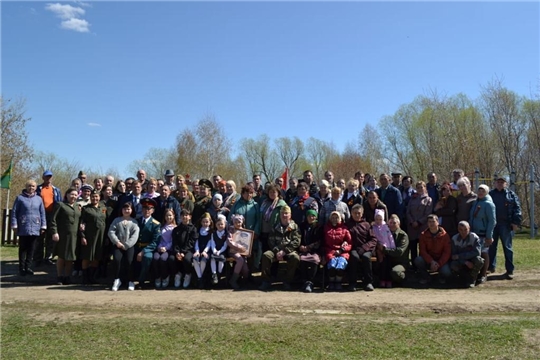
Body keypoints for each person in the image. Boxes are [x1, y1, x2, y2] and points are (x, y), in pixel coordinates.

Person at [259, 206, 301, 291]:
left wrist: (285, 251)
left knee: (295, 258)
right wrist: (277, 251)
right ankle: (266, 281)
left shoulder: (295, 227)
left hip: (289, 251)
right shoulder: (275, 226)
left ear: (290, 215)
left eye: (286, 213)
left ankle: (287, 281)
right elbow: (270, 240)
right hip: (276, 250)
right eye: (282, 213)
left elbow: (296, 242)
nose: (284, 215)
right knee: (266, 255)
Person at [11, 180, 47, 276]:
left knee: (32, 249)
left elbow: (42, 213)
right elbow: (14, 212)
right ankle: (21, 268)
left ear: (35, 188)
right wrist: (14, 225)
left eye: (33, 186)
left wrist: (43, 226)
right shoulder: (20, 198)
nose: (31, 188)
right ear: (26, 187)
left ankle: (28, 267)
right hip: (23, 226)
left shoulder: (39, 199)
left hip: (35, 226)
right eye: (29, 186)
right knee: (23, 248)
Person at [489, 176, 522, 279]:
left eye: (502, 182)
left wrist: (515, 222)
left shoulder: (511, 195)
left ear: (506, 184)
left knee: (507, 248)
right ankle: (491, 267)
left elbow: (517, 209)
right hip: (492, 225)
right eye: (498, 182)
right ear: (495, 183)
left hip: (506, 225)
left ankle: (509, 270)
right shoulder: (490, 194)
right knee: (491, 247)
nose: (499, 183)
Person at [50, 188, 82, 285]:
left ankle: (67, 277)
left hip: (74, 236)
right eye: (72, 194)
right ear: (67, 195)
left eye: (76, 195)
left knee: (70, 257)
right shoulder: (61, 205)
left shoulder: (78, 207)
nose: (74, 196)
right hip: (63, 235)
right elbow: (53, 219)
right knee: (62, 257)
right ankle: (60, 277)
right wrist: (54, 232)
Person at [108, 202, 140, 291]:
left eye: (128, 209)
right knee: (117, 260)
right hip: (118, 245)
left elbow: (135, 235)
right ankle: (117, 279)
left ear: (131, 210)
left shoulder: (134, 222)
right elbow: (111, 232)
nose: (126, 210)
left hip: (129, 246)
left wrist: (126, 245)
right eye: (125, 209)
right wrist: (117, 242)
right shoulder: (116, 220)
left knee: (130, 261)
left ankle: (130, 280)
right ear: (121, 210)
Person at [228, 185, 261, 271]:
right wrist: (231, 229)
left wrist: (256, 232)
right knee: (238, 253)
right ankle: (237, 274)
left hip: (251, 234)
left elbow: (258, 219)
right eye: (246, 193)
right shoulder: (237, 204)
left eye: (251, 193)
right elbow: (230, 218)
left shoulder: (255, 205)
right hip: (237, 234)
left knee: (250, 254)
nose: (249, 195)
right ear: (242, 194)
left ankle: (249, 275)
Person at [469, 184, 496, 285]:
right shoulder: (476, 202)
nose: (480, 192)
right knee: (476, 253)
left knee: (484, 253)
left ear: (486, 192)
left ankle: (484, 274)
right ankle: (476, 274)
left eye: (482, 191)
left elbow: (492, 221)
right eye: (479, 190)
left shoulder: (489, 204)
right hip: (474, 232)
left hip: (483, 233)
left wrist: (489, 235)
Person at [34, 170, 62, 267]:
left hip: (52, 215)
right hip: (40, 215)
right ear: (43, 177)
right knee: (39, 238)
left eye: (50, 177)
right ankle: (38, 258)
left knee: (50, 238)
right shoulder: (38, 189)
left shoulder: (56, 190)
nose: (48, 179)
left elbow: (59, 204)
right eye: (46, 177)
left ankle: (48, 258)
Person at [79, 190, 107, 285]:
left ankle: (92, 277)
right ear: (90, 198)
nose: (95, 198)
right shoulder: (85, 209)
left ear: (99, 197)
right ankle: (85, 278)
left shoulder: (103, 208)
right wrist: (83, 236)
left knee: (96, 257)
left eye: (96, 196)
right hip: (89, 236)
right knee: (87, 257)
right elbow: (82, 223)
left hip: (100, 236)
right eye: (93, 197)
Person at [346, 204, 377, 291]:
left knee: (366, 257)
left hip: (366, 248)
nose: (357, 215)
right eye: (355, 213)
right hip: (353, 248)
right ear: (351, 213)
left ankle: (368, 282)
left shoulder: (366, 225)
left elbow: (373, 239)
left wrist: (364, 248)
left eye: (359, 213)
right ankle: (352, 283)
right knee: (354, 257)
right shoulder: (347, 225)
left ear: (362, 214)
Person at [414, 215, 452, 285]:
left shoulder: (445, 235)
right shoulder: (423, 235)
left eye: (433, 222)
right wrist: (431, 261)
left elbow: (447, 252)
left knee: (447, 272)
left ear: (438, 222)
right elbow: (422, 251)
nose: (431, 224)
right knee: (418, 260)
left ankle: (441, 277)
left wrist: (439, 263)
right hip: (429, 260)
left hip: (441, 261)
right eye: (429, 222)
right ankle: (426, 277)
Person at [133, 198, 161, 289]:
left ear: (152, 210)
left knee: (147, 257)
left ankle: (141, 281)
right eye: (144, 208)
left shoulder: (156, 224)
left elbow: (155, 241)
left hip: (147, 248)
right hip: (135, 246)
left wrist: (143, 251)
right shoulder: (136, 221)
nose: (146, 210)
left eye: (149, 208)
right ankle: (128, 279)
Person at [377, 215, 409, 286]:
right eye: (390, 223)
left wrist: (384, 250)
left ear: (399, 224)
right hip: (388, 261)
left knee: (395, 272)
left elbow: (399, 252)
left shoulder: (403, 235)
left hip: (400, 262)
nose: (392, 225)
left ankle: (404, 278)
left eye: (394, 223)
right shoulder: (386, 233)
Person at [406, 181, 433, 269]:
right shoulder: (412, 199)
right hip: (412, 227)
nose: (420, 189)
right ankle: (414, 267)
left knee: (423, 248)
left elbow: (428, 214)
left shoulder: (428, 199)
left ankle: (422, 267)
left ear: (425, 188)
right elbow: (408, 212)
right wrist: (412, 222)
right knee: (413, 248)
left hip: (422, 227)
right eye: (418, 187)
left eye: (422, 187)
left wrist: (419, 222)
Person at [449, 221, 484, 288]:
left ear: (469, 229)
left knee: (479, 260)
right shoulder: (454, 239)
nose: (463, 232)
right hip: (461, 261)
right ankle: (463, 279)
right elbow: (453, 256)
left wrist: (460, 256)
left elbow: (477, 252)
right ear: (458, 229)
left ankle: (472, 279)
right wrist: (465, 262)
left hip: (471, 259)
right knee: (453, 264)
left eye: (465, 229)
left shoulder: (474, 237)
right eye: (461, 230)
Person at [324, 211, 352, 291]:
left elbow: (349, 243)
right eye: (332, 217)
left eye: (336, 217)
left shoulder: (345, 229)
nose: (334, 219)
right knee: (332, 265)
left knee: (340, 265)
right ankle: (331, 282)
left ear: (340, 219)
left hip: (342, 252)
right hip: (330, 251)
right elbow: (324, 243)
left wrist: (342, 249)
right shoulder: (326, 228)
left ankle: (338, 282)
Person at [151, 208, 177, 289]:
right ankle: (158, 277)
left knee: (163, 259)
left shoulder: (175, 228)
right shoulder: (161, 226)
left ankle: (165, 277)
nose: (168, 217)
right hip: (159, 248)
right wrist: (159, 247)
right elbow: (158, 239)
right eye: (167, 215)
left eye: (170, 215)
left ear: (173, 216)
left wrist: (166, 248)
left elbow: (173, 241)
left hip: (169, 249)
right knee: (155, 258)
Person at [172, 209, 197, 289]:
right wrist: (177, 252)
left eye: (186, 215)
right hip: (178, 250)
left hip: (189, 250)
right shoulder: (176, 229)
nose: (184, 217)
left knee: (187, 259)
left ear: (190, 217)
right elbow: (174, 242)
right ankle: (178, 274)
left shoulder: (193, 229)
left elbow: (191, 242)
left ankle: (187, 274)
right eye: (182, 215)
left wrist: (183, 252)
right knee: (171, 259)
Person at [298, 209, 322, 293]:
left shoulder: (319, 227)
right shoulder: (302, 226)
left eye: (313, 216)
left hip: (314, 250)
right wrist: (300, 246)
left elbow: (320, 241)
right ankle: (304, 281)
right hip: (303, 250)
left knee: (314, 260)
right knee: (301, 259)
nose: (311, 218)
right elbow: (298, 238)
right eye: (309, 216)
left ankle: (310, 282)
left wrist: (308, 247)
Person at [259, 184, 287, 254]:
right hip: (264, 231)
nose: (272, 194)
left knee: (273, 253)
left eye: (274, 192)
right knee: (264, 252)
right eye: (270, 192)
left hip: (275, 233)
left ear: (278, 193)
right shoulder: (264, 202)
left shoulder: (281, 204)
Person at [372, 209, 396, 288]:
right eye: (377, 219)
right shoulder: (373, 227)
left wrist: (392, 247)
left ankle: (388, 280)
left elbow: (390, 238)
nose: (378, 221)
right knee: (382, 264)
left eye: (380, 219)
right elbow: (373, 238)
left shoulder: (386, 227)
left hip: (388, 248)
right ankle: (382, 280)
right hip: (379, 249)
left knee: (388, 264)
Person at [227, 214, 250, 290]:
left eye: (239, 222)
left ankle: (244, 281)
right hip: (233, 251)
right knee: (240, 260)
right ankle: (233, 280)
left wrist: (248, 251)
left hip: (243, 253)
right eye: (235, 222)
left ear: (242, 222)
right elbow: (229, 242)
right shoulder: (231, 230)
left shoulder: (245, 231)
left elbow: (247, 243)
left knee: (245, 269)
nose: (237, 223)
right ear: (233, 222)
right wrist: (238, 247)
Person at [193, 212, 213, 289]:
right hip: (198, 250)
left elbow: (209, 243)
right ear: (201, 222)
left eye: (207, 222)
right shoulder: (198, 231)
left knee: (203, 260)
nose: (205, 223)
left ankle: (200, 279)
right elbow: (196, 242)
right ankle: (200, 278)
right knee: (195, 259)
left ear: (210, 222)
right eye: (203, 222)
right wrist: (197, 251)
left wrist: (205, 251)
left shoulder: (211, 232)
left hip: (207, 251)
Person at [208, 214, 229, 285]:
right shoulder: (213, 234)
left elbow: (225, 245)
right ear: (216, 225)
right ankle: (214, 274)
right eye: (218, 224)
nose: (220, 226)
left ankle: (219, 273)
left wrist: (219, 251)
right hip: (215, 250)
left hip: (222, 251)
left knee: (221, 259)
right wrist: (214, 251)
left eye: (222, 224)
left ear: (225, 225)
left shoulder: (226, 234)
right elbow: (212, 243)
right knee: (212, 258)